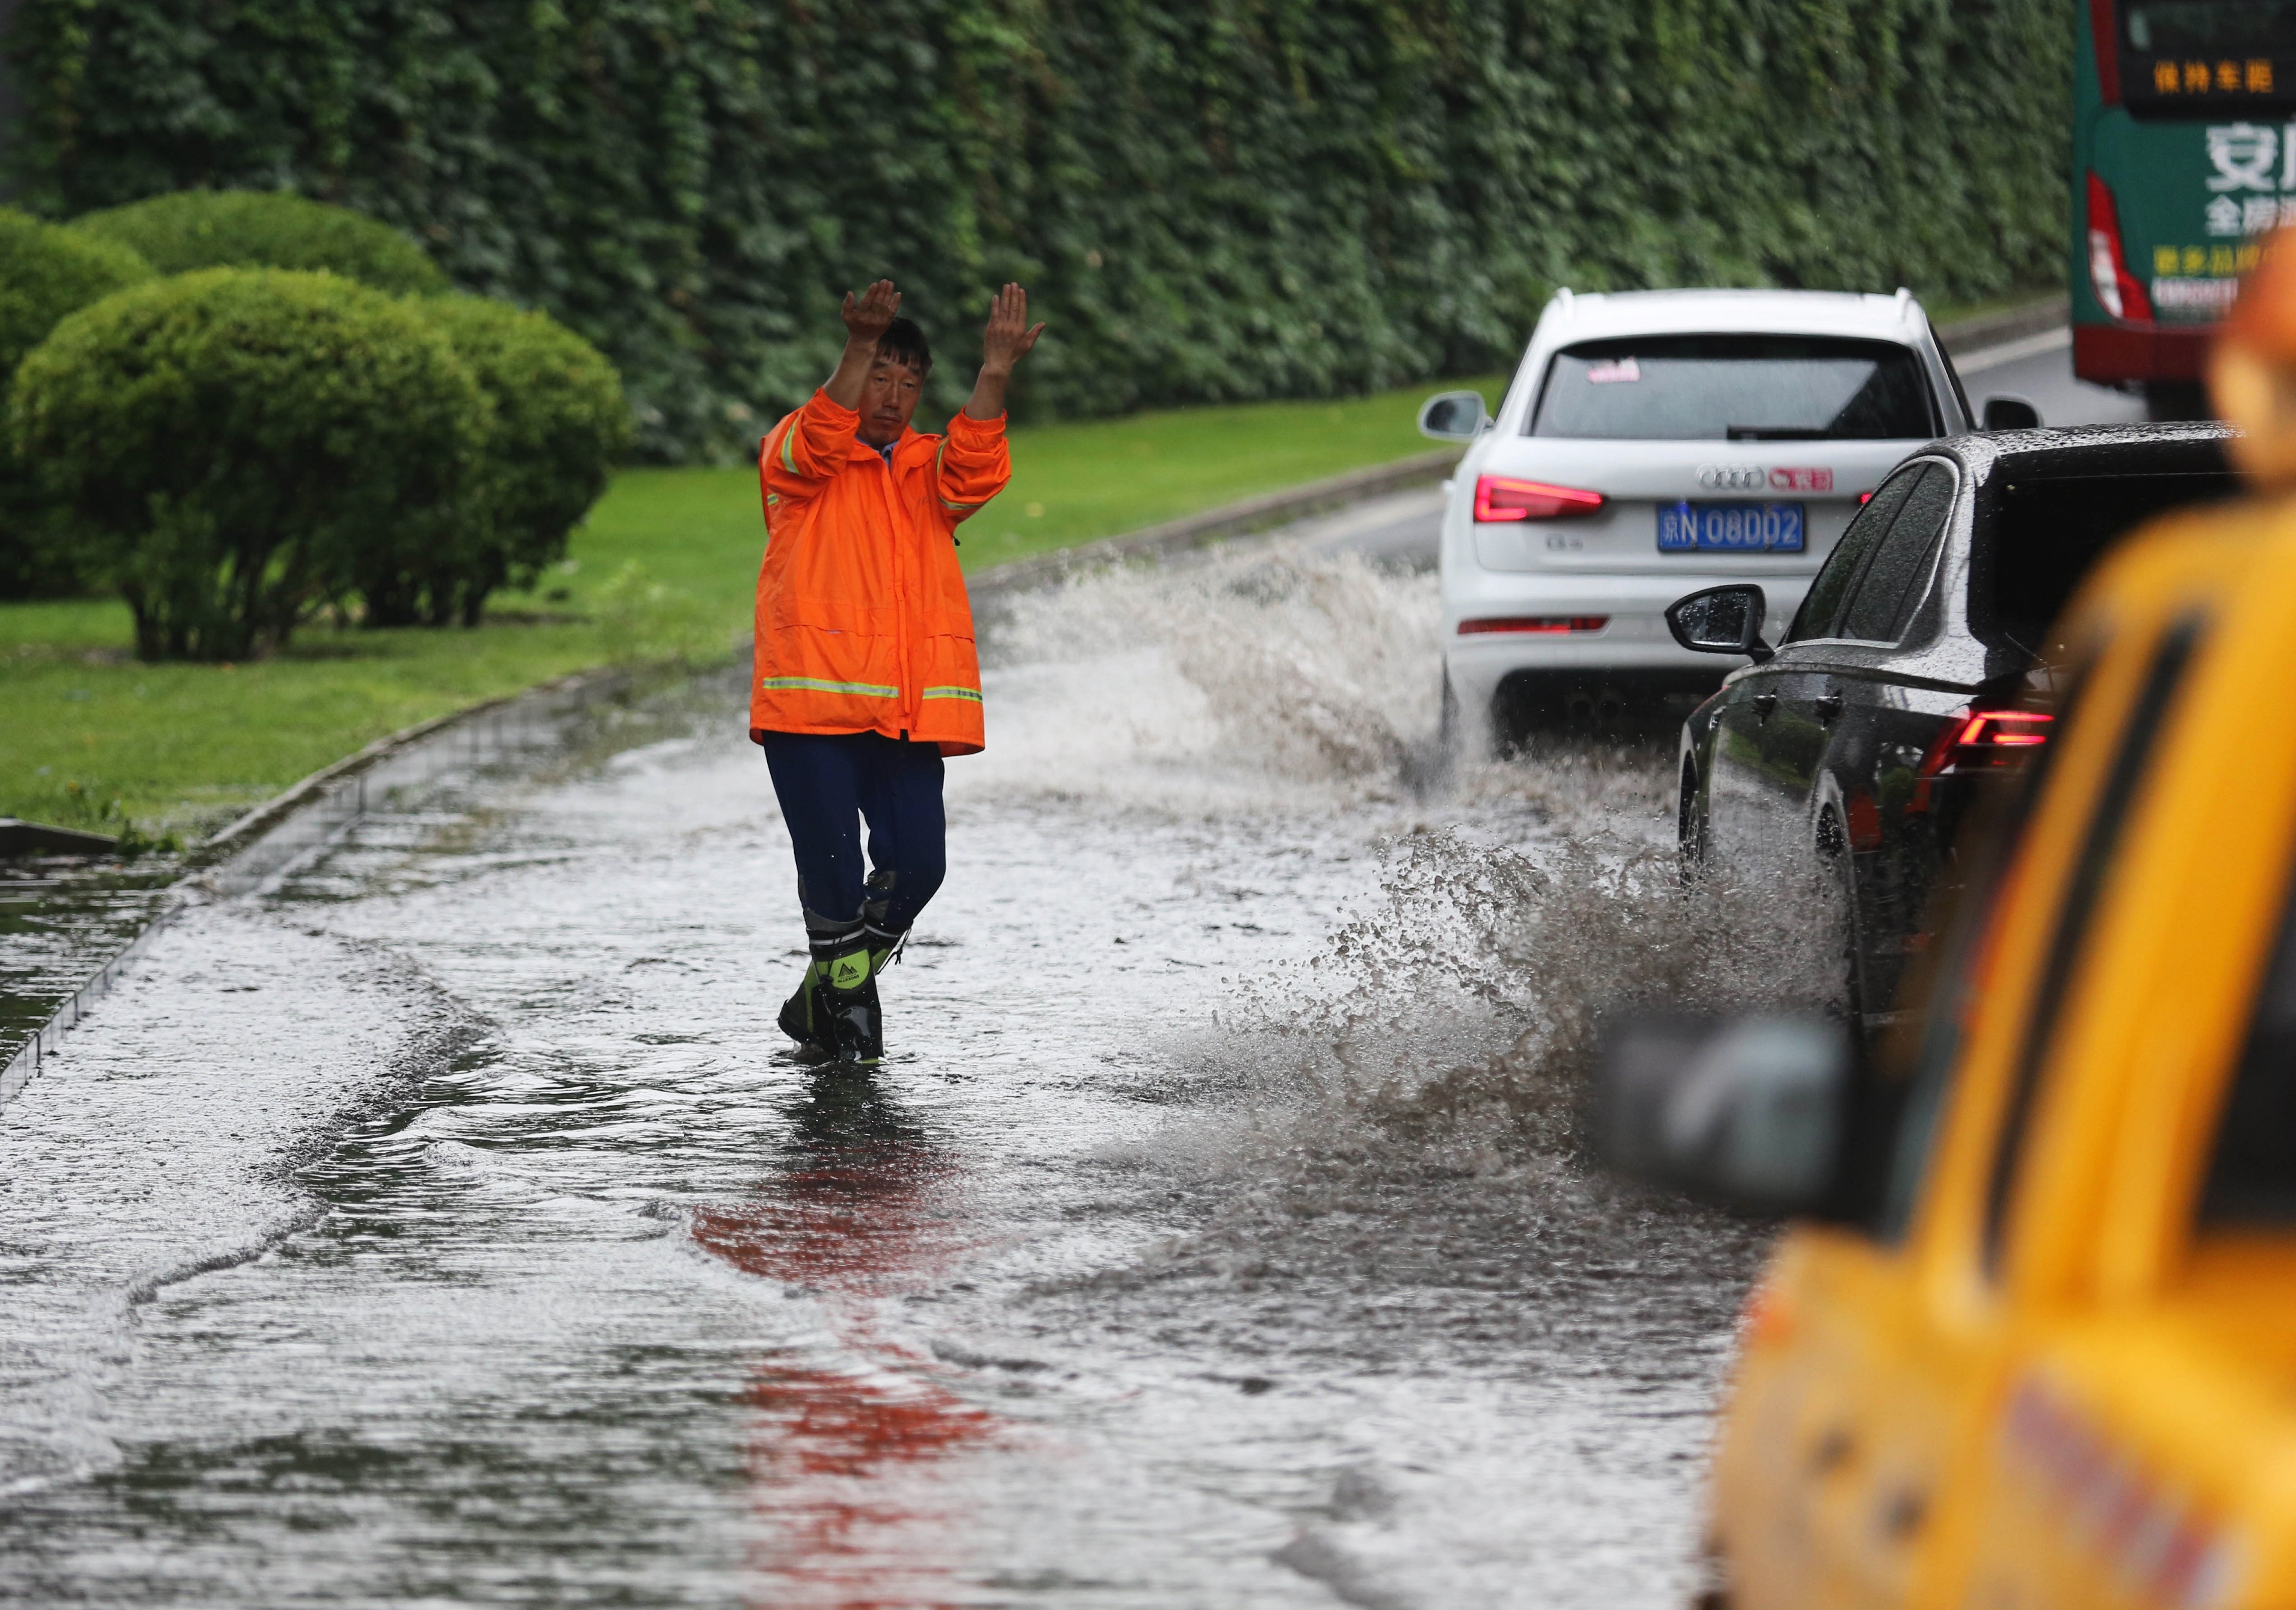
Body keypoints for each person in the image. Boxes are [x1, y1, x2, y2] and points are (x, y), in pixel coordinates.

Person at [752, 278, 1043, 1065]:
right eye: (881, 375)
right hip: (811, 713)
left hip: (905, 715)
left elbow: (977, 467)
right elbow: (817, 436)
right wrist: (857, 344)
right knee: (837, 878)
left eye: (909, 381)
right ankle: (848, 1028)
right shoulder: (798, 457)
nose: (894, 395)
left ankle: (822, 995)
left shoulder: (925, 470)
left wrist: (994, 371)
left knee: (919, 863)